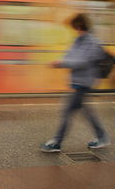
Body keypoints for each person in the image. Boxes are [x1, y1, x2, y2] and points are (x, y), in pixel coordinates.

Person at [41, 13, 110, 152]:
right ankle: (102, 137)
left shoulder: (92, 42)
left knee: (67, 111)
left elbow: (83, 62)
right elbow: (70, 55)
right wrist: (60, 62)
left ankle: (56, 142)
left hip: (84, 82)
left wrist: (62, 62)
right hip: (77, 81)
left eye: (75, 27)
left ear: (80, 25)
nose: (74, 30)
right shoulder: (78, 40)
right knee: (87, 112)